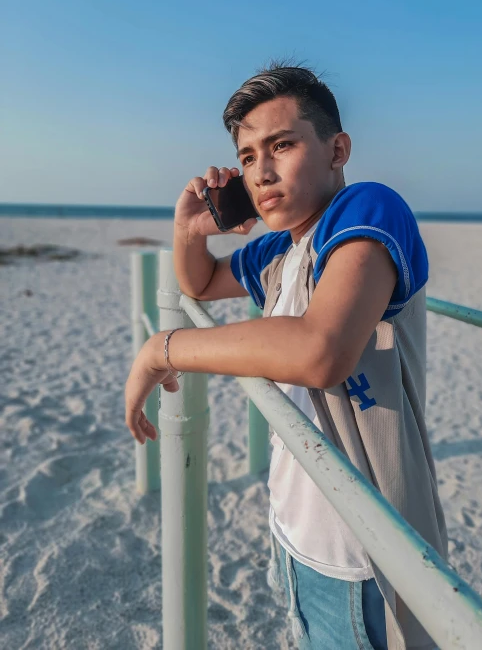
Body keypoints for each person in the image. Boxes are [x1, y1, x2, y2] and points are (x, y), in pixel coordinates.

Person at [125, 61, 447, 650]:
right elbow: (200, 284)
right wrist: (189, 231)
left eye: (282, 145)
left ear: (337, 149)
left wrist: (161, 350)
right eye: (247, 157)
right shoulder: (281, 247)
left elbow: (321, 351)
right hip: (295, 531)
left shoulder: (369, 210)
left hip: (363, 558)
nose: (262, 172)